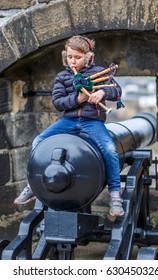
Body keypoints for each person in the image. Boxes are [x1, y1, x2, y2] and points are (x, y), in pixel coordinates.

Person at [14, 35, 124, 217]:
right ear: (66, 56)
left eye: (78, 58)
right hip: (69, 121)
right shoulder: (63, 77)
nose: (73, 61)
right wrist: (78, 99)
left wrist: (103, 92)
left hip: (92, 121)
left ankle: (114, 195)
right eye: (70, 57)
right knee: (38, 141)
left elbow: (117, 90)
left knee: (110, 149)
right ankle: (31, 186)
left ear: (89, 57)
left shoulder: (100, 72)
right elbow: (58, 103)